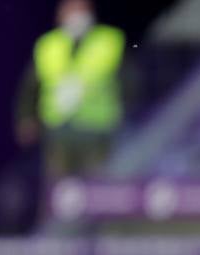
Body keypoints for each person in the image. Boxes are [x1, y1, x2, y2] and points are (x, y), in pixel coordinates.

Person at [15, 0, 125, 181]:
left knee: (95, 188)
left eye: (81, 10)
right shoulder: (48, 45)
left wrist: (127, 110)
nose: (77, 16)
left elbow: (127, 81)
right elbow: (30, 86)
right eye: (72, 10)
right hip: (58, 131)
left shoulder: (109, 42)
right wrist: (26, 116)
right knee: (58, 190)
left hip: (96, 131)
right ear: (60, 15)